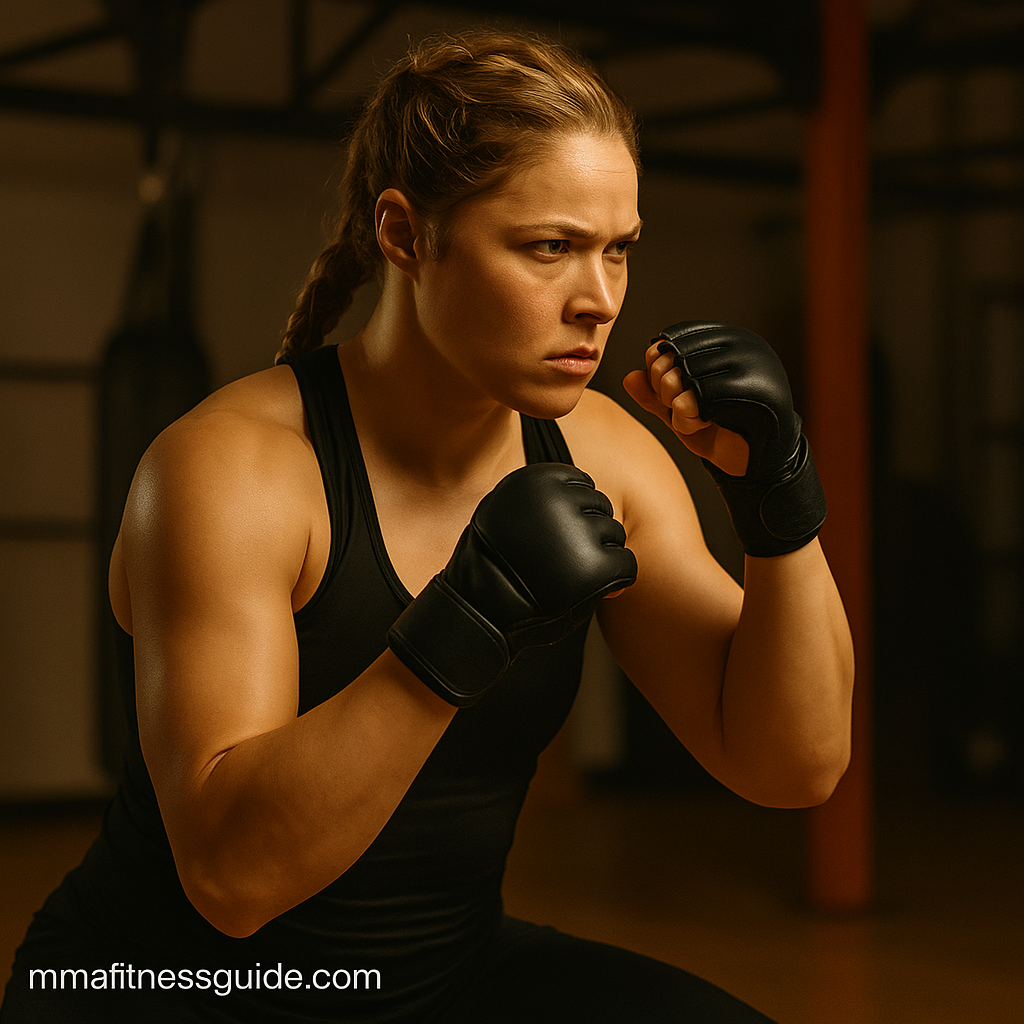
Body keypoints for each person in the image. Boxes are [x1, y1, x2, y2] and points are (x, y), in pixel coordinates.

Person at [1, 28, 853, 1024]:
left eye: (617, 248)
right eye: (549, 247)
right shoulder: (231, 472)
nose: (599, 299)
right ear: (405, 235)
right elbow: (232, 881)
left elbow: (791, 766)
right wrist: (467, 618)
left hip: (434, 979)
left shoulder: (602, 453)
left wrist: (778, 502)